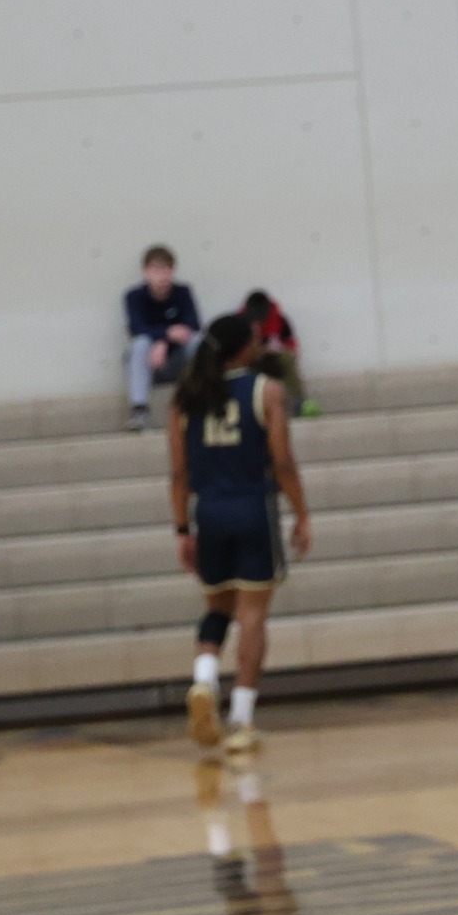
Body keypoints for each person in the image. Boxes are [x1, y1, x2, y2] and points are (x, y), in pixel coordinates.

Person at [170, 314, 312, 757]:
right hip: (252, 509)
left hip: (208, 512)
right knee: (253, 614)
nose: (260, 345)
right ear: (241, 350)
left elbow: (178, 473)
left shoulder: (185, 400)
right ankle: (243, 720)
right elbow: (283, 462)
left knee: (217, 608)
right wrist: (303, 514)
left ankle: (204, 681)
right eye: (254, 340)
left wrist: (182, 529)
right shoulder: (265, 390)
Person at [124, 245, 200, 430]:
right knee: (141, 343)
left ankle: (203, 402)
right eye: (156, 270)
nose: (162, 276)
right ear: (145, 272)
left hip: (177, 362)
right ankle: (139, 411)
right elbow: (136, 328)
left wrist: (164, 341)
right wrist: (165, 335)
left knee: (197, 340)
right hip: (149, 364)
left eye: (166, 269)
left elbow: (193, 324)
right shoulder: (134, 296)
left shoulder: (182, 292)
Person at [242, 290, 316, 417]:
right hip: (252, 362)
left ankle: (299, 402)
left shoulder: (280, 320)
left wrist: (278, 348)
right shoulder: (241, 323)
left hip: (274, 360)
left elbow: (292, 346)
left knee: (287, 358)